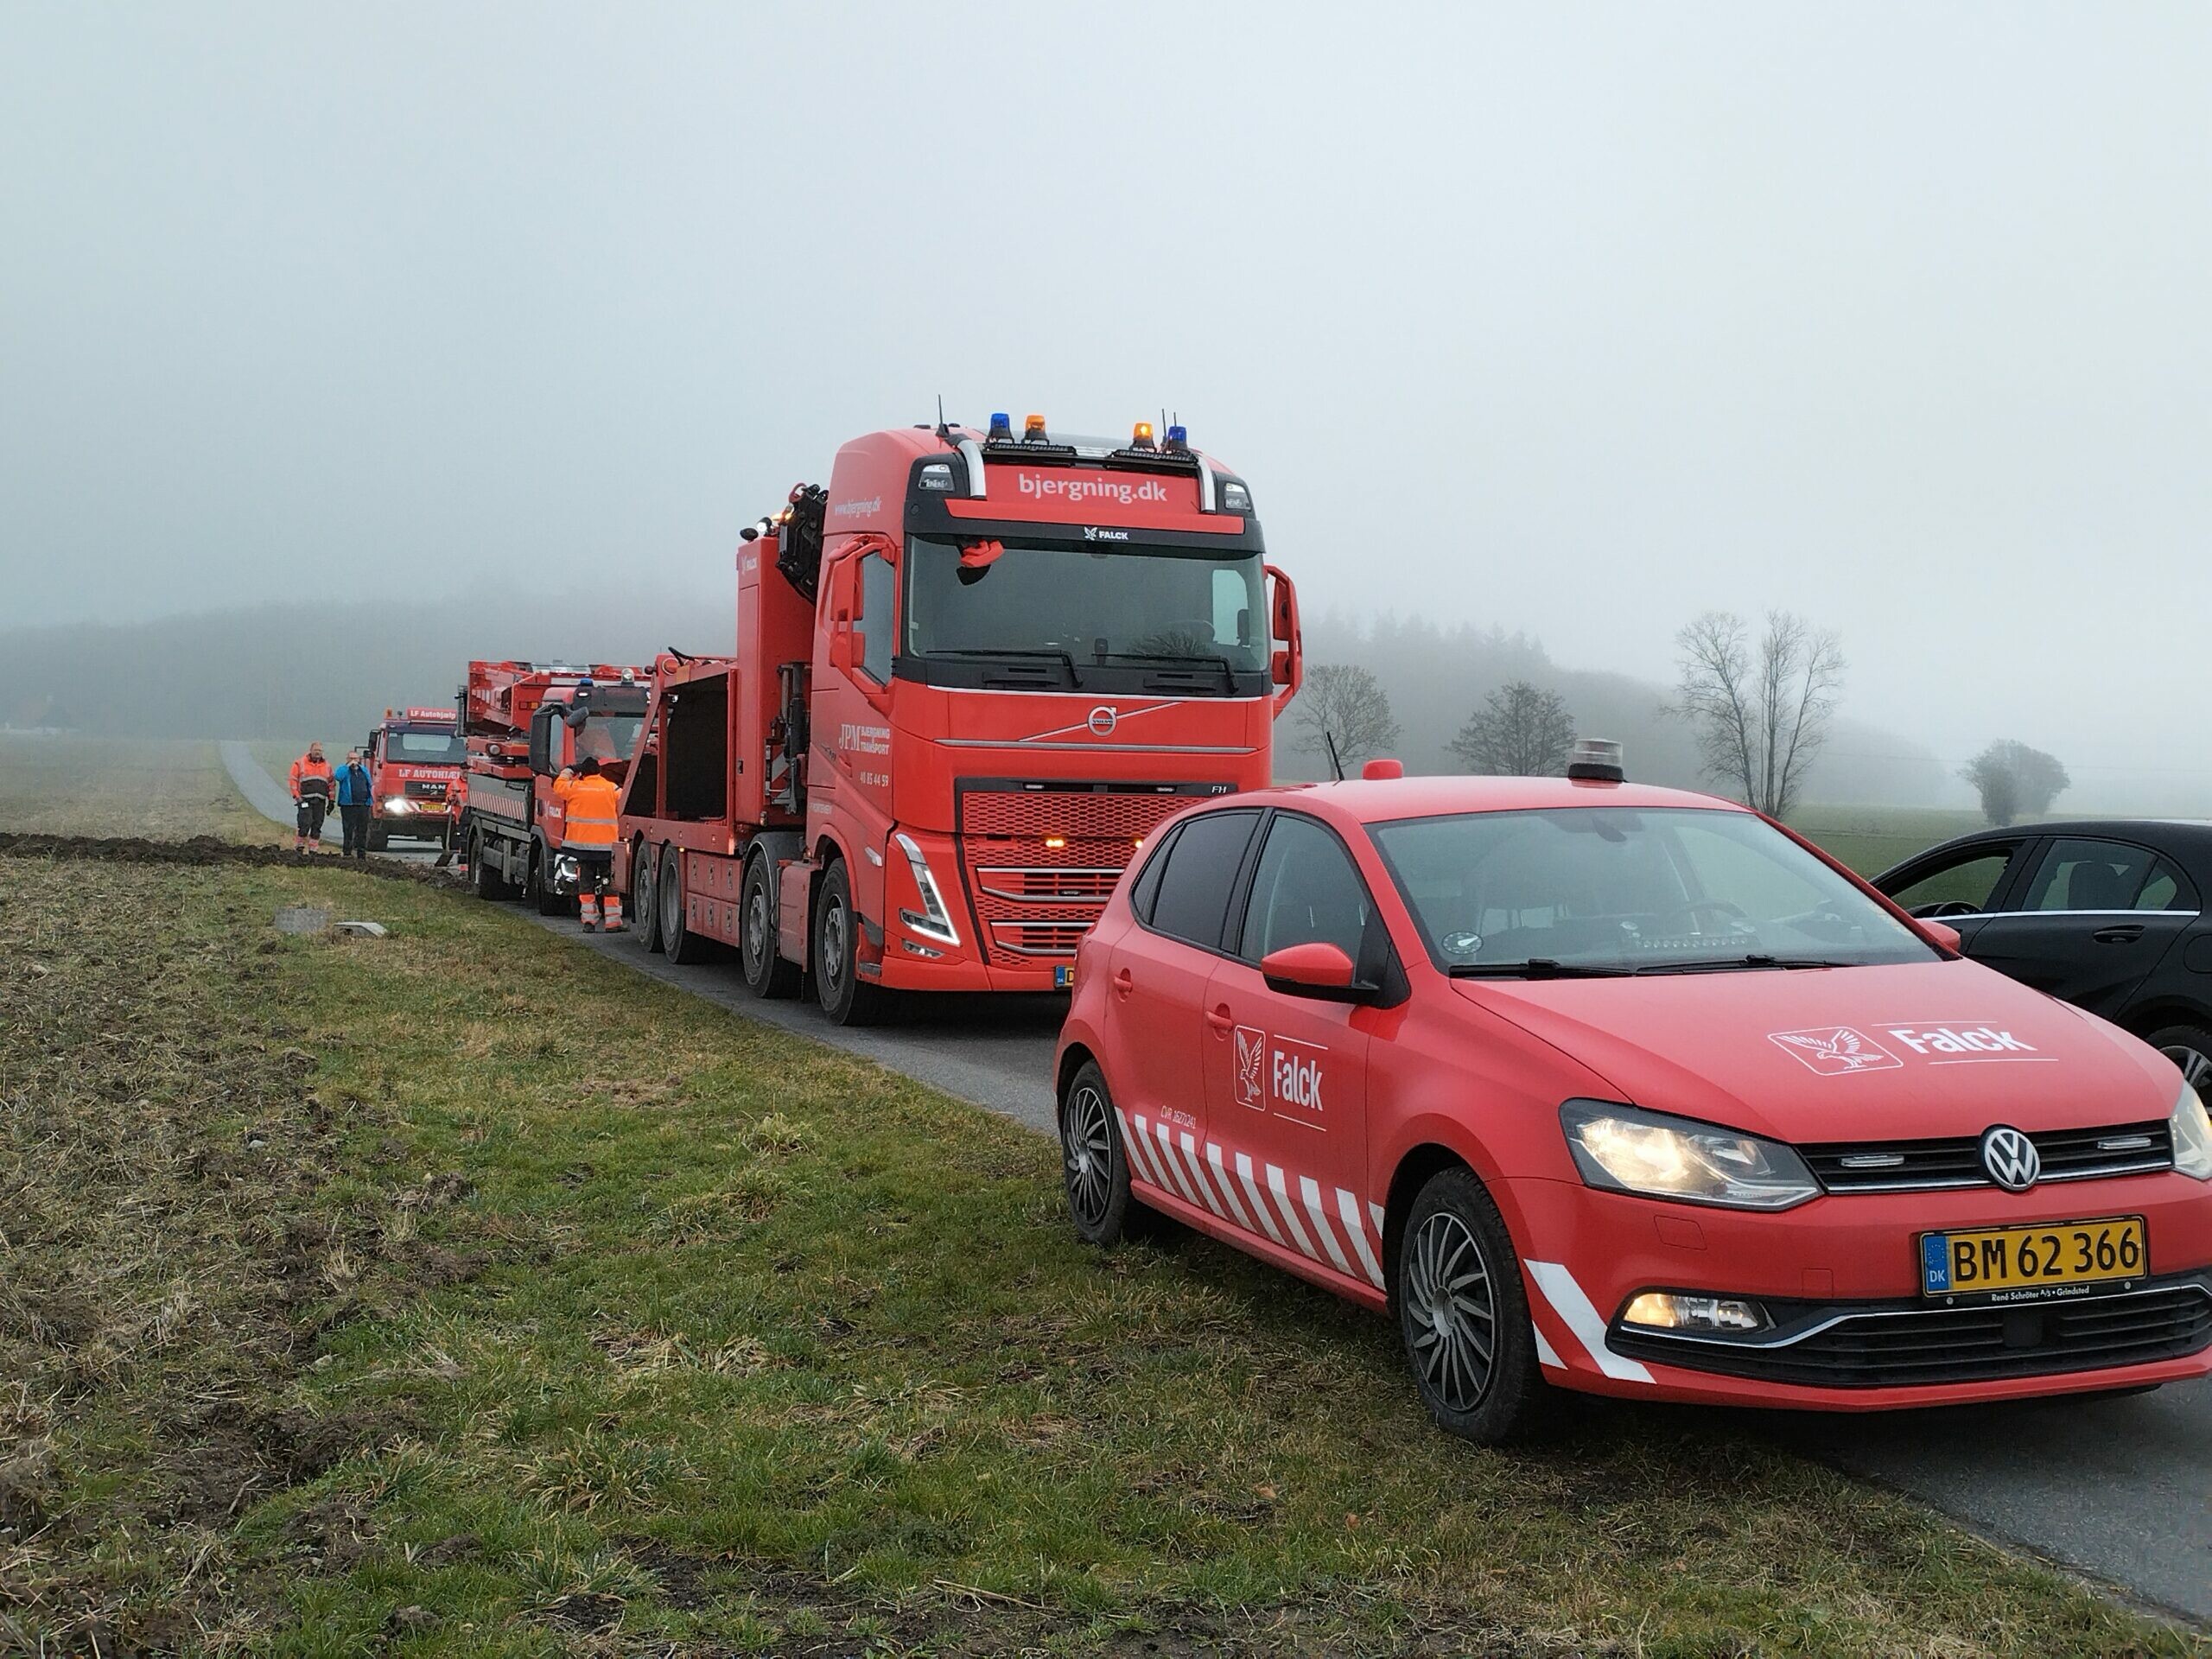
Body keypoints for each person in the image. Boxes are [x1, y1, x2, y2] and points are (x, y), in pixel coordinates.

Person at [551, 757, 624, 931]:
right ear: (599, 772)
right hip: (607, 848)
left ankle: (589, 922)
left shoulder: (575, 788)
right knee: (609, 883)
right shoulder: (611, 788)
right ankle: (613, 922)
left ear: (582, 773)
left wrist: (570, 769)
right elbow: (624, 800)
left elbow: (558, 785)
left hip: (583, 849)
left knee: (586, 883)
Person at [289, 742, 335, 856]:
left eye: (320, 750)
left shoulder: (327, 766)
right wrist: (297, 797)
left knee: (317, 825)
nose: (318, 752)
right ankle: (299, 847)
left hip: (320, 801)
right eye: (316, 750)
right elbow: (293, 781)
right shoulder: (300, 763)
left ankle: (313, 851)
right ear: (310, 750)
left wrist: (332, 801)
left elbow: (331, 784)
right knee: (305, 824)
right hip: (305, 800)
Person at [334, 748, 374, 861]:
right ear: (347, 760)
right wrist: (348, 766)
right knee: (348, 829)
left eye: (355, 758)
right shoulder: (343, 769)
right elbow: (338, 777)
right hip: (348, 805)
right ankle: (347, 852)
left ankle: (361, 854)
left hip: (363, 804)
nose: (354, 761)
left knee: (362, 830)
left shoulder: (363, 770)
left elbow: (370, 783)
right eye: (351, 759)